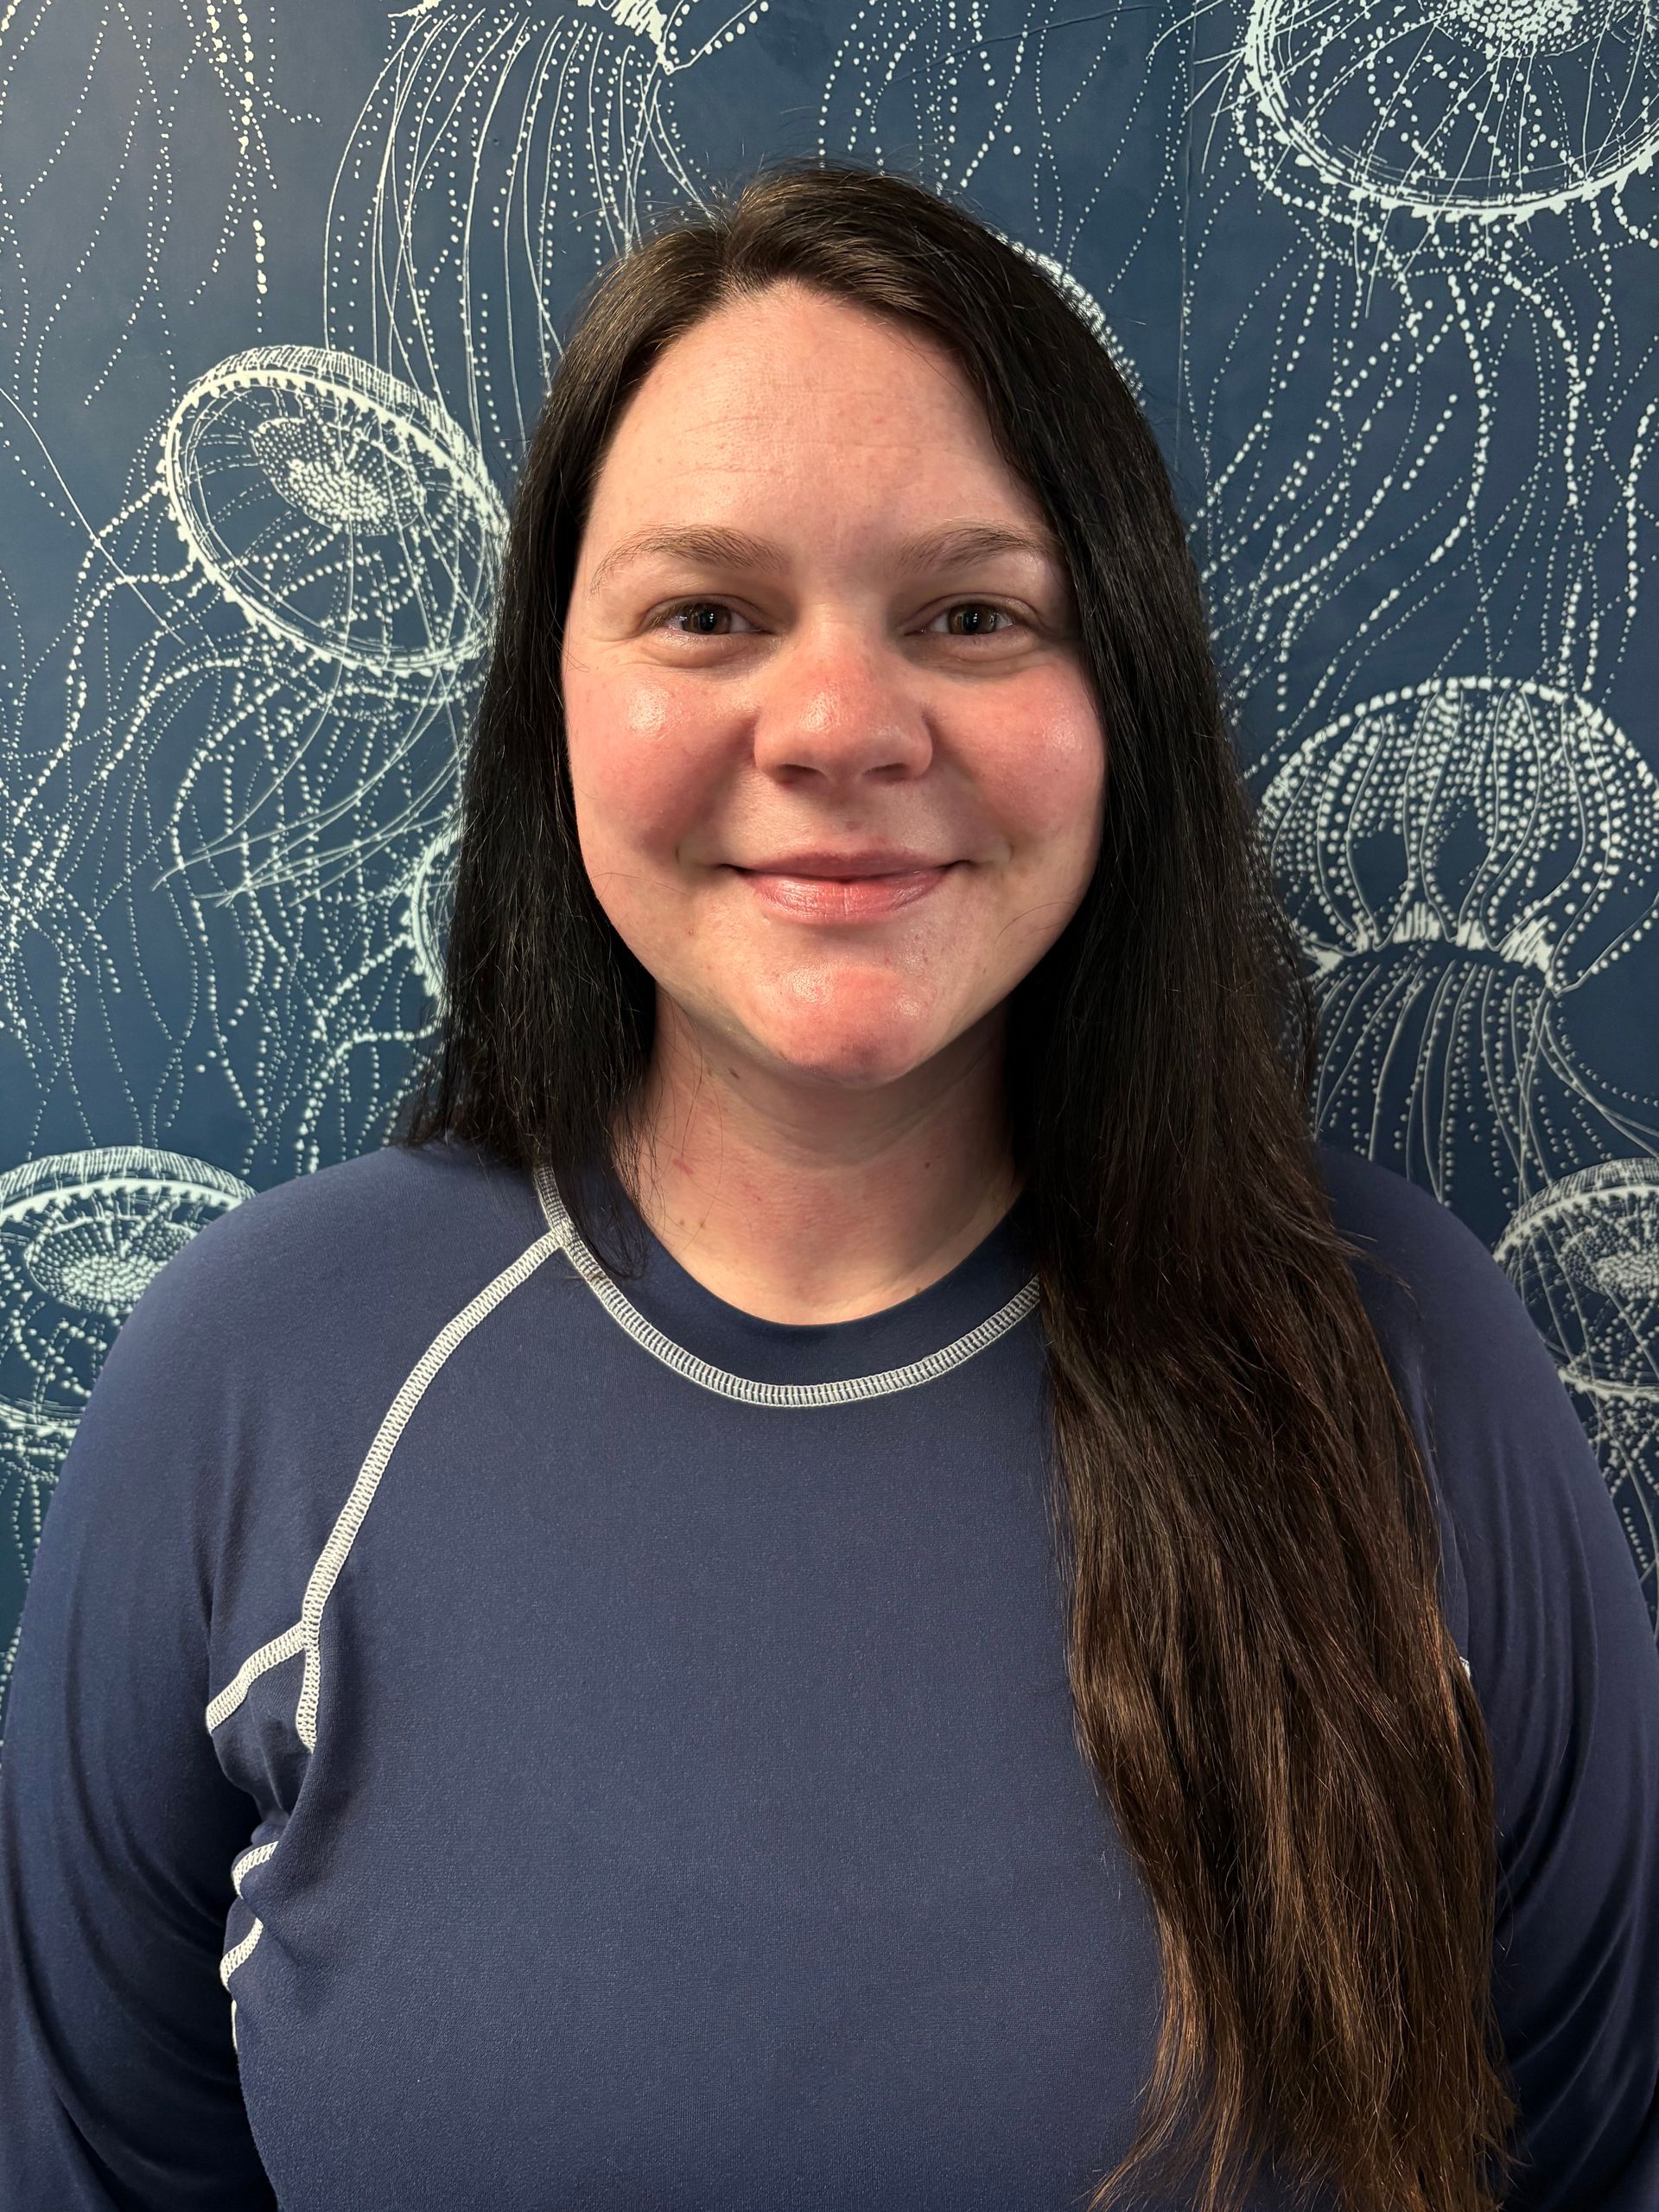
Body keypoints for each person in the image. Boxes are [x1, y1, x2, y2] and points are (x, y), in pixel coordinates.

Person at [2, 158, 1656, 2212]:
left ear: (1116, 692)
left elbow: (1596, 2152)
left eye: (973, 613)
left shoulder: (1408, 1366)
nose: (844, 725)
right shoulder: (247, 1384)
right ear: (549, 703)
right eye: (708, 612)